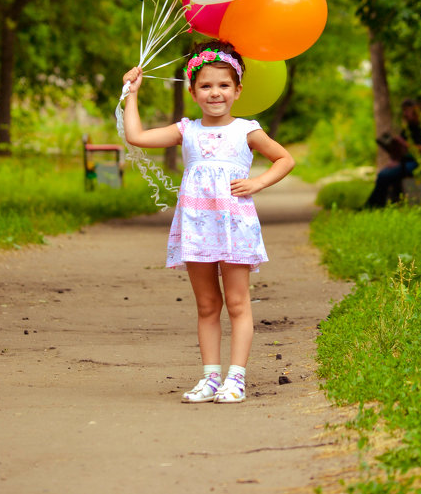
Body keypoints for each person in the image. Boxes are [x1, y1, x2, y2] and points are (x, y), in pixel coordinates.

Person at [122, 39, 295, 404]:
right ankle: (210, 378)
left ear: (237, 90)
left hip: (234, 226)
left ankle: (237, 378)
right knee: (206, 305)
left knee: (237, 302)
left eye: (223, 85)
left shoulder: (246, 130)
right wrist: (132, 94)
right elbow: (136, 136)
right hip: (198, 226)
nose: (214, 93)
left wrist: (258, 182)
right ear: (192, 90)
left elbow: (284, 159)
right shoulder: (187, 130)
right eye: (205, 85)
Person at [364, 98, 421, 209]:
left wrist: (406, 144)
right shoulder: (409, 129)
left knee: (385, 175)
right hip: (406, 163)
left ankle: (374, 206)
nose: (405, 114)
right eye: (404, 111)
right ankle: (379, 205)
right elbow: (400, 150)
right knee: (384, 173)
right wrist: (394, 158)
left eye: (407, 111)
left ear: (417, 112)